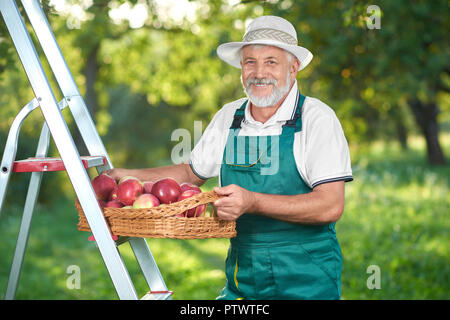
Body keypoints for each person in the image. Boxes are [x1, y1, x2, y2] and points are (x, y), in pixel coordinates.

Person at [106, 15, 353, 300]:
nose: (259, 72)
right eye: (250, 62)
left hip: (307, 278)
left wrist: (252, 201)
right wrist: (125, 176)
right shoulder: (230, 117)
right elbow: (190, 173)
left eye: (271, 62)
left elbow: (330, 205)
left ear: (293, 68)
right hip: (244, 274)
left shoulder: (316, 119)